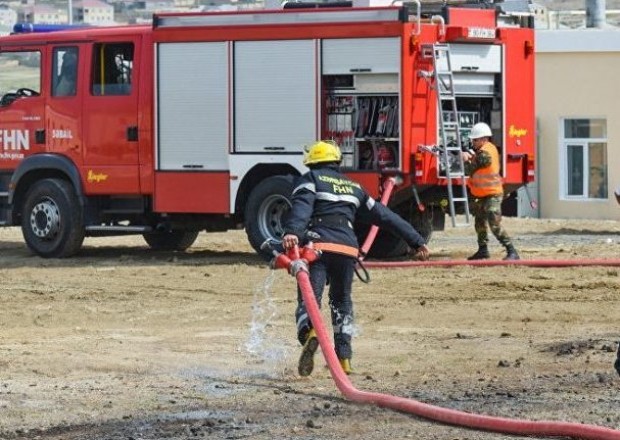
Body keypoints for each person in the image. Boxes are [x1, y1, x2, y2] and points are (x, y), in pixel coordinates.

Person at [282, 140, 430, 377]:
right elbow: (385, 216)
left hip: (317, 247)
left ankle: (310, 333)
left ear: (312, 161)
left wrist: (292, 232)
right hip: (347, 251)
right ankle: (344, 359)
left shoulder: (310, 179)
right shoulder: (353, 187)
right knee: (341, 302)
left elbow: (301, 208)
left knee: (310, 298)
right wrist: (416, 240)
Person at [461, 122, 519, 261]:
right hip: (482, 194)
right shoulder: (484, 150)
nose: (473, 142)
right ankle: (483, 250)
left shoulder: (486, 153)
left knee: (494, 223)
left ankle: (512, 251)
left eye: (475, 140)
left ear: (484, 139)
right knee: (479, 222)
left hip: (492, 194)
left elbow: (469, 169)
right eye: (472, 140)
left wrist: (464, 159)